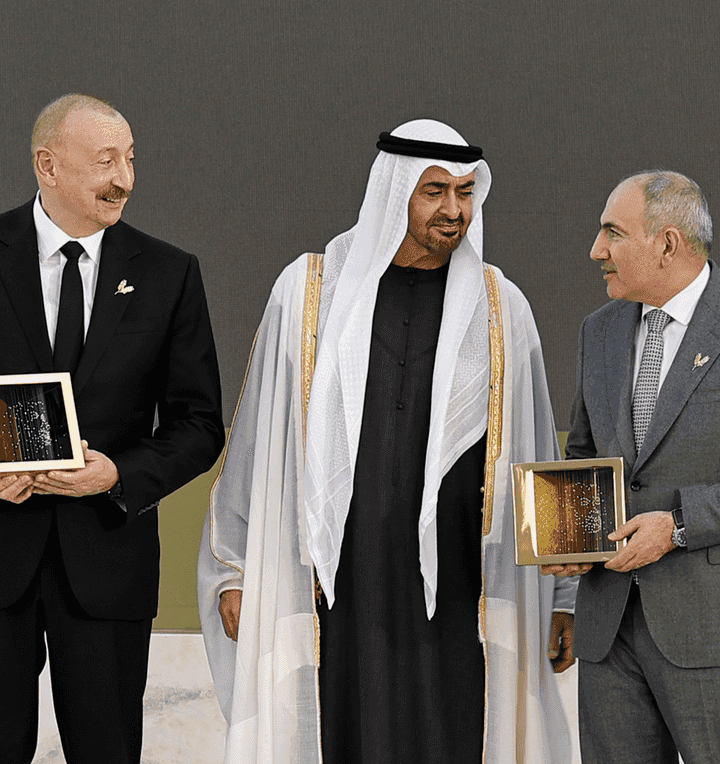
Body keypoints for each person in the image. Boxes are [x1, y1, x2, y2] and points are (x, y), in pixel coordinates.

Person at [198, 120, 574, 764]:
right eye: (434, 191)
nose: (453, 210)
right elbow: (257, 443)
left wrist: (564, 596)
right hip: (340, 579)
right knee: (343, 724)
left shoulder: (500, 306)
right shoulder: (308, 292)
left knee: (458, 726)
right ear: (393, 191)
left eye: (465, 192)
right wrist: (233, 570)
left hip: (462, 583)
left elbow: (539, 449)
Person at [0, 94, 224, 764]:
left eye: (130, 159)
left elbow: (199, 424)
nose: (124, 178)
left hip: (108, 561)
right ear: (47, 164)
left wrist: (119, 475)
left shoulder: (169, 272)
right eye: (106, 161)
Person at [547, 171, 720, 764]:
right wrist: (571, 546)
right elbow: (585, 458)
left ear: (667, 244)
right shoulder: (599, 331)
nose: (596, 250)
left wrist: (675, 527)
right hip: (609, 630)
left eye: (613, 233)